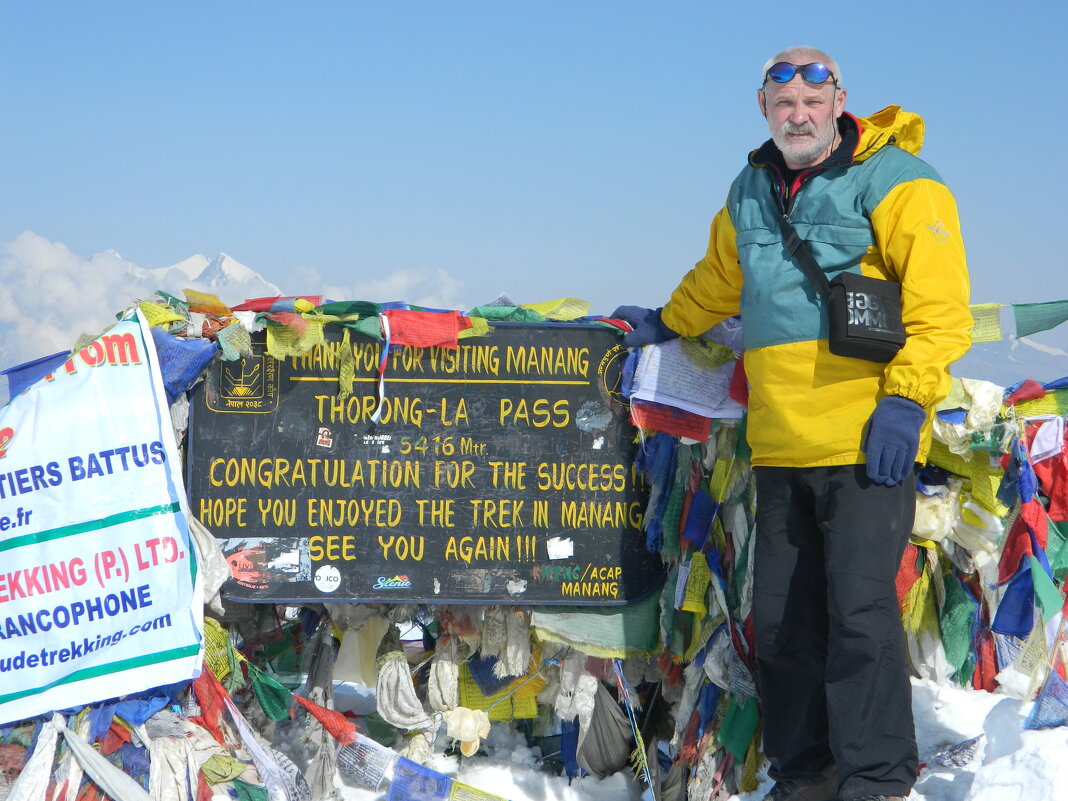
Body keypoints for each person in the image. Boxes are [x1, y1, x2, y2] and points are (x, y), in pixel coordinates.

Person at [613, 47, 971, 801]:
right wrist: (666, 322)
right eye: (783, 104)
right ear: (764, 108)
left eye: (813, 101)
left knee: (860, 613)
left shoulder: (902, 182)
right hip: (779, 443)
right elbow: (719, 277)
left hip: (869, 439)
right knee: (779, 623)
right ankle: (805, 772)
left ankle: (876, 778)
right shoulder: (749, 189)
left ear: (839, 101)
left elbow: (941, 309)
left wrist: (905, 401)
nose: (798, 114)